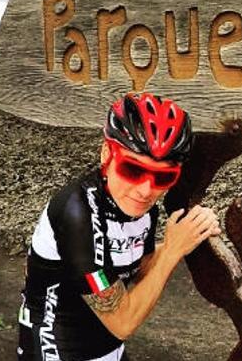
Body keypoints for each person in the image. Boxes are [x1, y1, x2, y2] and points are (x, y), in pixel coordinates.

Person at [17, 92, 220, 361]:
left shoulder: (144, 210)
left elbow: (142, 267)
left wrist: (186, 235)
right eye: (133, 170)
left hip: (109, 349)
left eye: (163, 177)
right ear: (106, 154)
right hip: (57, 349)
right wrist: (173, 250)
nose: (146, 190)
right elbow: (122, 321)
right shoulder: (76, 213)